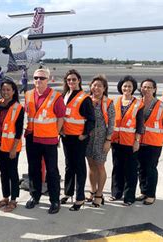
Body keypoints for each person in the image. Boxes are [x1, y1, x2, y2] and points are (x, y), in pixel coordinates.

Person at [24, 68, 65, 214]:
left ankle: (55, 200)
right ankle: (34, 196)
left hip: (48, 139)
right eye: (35, 78)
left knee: (52, 171)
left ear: (48, 80)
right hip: (32, 138)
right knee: (33, 168)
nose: (38, 81)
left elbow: (60, 118)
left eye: (41, 78)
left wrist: (55, 133)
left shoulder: (56, 96)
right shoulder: (28, 94)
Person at [59, 69, 95, 211]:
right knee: (69, 165)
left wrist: (85, 134)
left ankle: (80, 198)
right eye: (69, 80)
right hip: (66, 136)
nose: (71, 82)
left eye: (74, 79)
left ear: (79, 80)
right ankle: (68, 192)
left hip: (79, 138)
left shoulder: (84, 98)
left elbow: (91, 120)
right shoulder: (64, 95)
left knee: (79, 167)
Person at [136, 78, 163, 205]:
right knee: (141, 168)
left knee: (151, 168)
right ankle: (143, 191)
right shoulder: (136, 103)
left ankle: (151, 195)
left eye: (149, 87)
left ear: (154, 89)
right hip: (139, 141)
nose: (146, 89)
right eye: (144, 87)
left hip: (154, 143)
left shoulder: (161, 106)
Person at [110, 75, 144, 206]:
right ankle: (116, 193)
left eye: (130, 86)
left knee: (130, 170)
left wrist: (137, 141)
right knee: (117, 168)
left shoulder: (138, 104)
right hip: (116, 141)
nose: (127, 88)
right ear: (120, 87)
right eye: (125, 86)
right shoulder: (114, 102)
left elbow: (140, 125)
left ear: (133, 88)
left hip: (130, 142)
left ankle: (129, 197)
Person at [0, 78, 24, 212]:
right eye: (3, 89)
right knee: (3, 173)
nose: (5, 92)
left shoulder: (18, 107)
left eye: (8, 90)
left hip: (11, 147)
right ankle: (5, 197)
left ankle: (13, 200)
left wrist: (13, 149)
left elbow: (19, 131)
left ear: (13, 91)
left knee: (12, 173)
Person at [85, 75, 115, 208]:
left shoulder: (108, 102)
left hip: (101, 138)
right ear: (90, 86)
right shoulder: (86, 100)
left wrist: (108, 140)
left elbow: (112, 123)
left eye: (99, 86)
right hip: (88, 139)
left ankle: (99, 194)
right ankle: (92, 190)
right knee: (91, 165)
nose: (96, 88)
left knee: (100, 166)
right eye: (94, 85)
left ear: (104, 88)